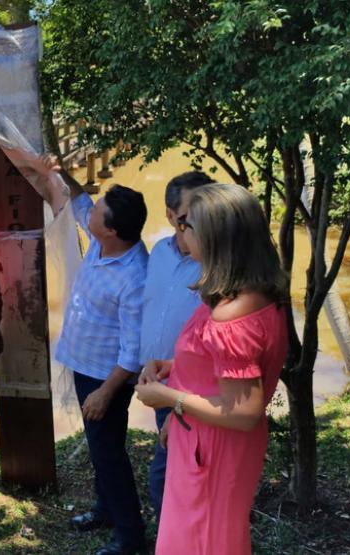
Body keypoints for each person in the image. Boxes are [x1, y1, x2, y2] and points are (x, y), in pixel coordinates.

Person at [135, 184, 289, 555]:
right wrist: (176, 366)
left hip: (212, 448)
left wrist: (167, 397)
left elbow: (243, 412)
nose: (180, 231)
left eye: (187, 225)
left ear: (215, 237)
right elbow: (221, 367)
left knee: (202, 540)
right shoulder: (251, 291)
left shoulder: (231, 315)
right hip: (204, 438)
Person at [54, 165, 149, 555]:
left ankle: (130, 536)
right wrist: (61, 170)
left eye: (99, 209)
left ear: (111, 229)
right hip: (85, 364)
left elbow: (134, 351)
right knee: (100, 448)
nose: (90, 210)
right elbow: (79, 201)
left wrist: (106, 393)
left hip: (104, 377)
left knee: (109, 455)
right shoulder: (102, 242)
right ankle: (105, 509)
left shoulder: (134, 276)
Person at [139, 171, 214, 519]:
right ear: (170, 216)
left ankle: (179, 538)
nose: (201, 221)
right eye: (189, 215)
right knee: (175, 478)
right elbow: (152, 309)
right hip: (161, 383)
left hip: (197, 395)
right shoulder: (158, 253)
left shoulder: (217, 266)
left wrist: (180, 404)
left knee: (168, 480)